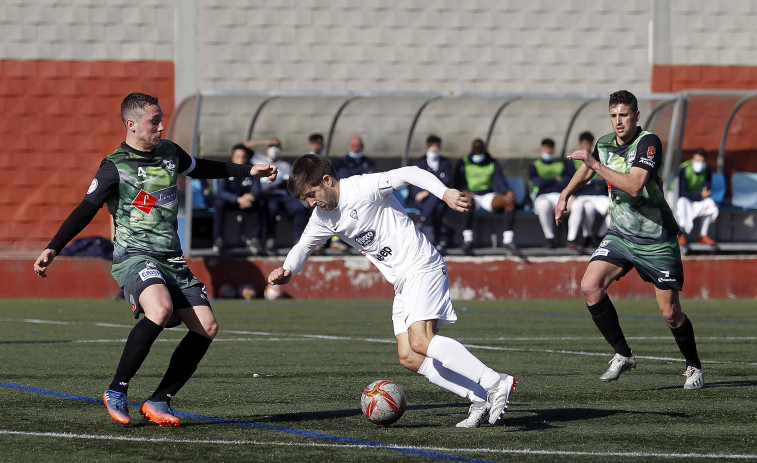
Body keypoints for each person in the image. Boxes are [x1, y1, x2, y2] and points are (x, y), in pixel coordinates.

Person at [33, 92, 278, 427]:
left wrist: (249, 170)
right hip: (134, 256)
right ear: (131, 125)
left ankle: (159, 400)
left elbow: (201, 167)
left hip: (171, 258)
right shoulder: (114, 166)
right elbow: (86, 209)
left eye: (161, 119)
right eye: (154, 121)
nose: (161, 127)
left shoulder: (169, 153)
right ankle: (117, 389)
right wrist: (54, 247)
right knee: (159, 310)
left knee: (206, 327)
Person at [268, 154, 517, 428]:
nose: (311, 202)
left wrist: (444, 193)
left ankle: (495, 382)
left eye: (312, 194)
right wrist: (288, 270)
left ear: (327, 180)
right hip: (401, 281)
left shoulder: (362, 187)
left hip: (421, 266)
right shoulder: (323, 217)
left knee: (422, 340)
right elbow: (303, 246)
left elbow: (410, 172)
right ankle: (478, 397)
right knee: (409, 356)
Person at [555, 90, 703, 389]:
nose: (618, 121)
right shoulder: (605, 143)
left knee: (671, 314)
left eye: (624, 115)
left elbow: (635, 186)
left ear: (636, 115)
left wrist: (595, 166)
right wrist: (565, 193)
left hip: (656, 239)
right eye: (613, 115)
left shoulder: (648, 143)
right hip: (621, 235)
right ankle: (623, 354)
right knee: (590, 286)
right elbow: (587, 168)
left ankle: (694, 366)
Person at [453, 138, 517, 254]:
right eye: (475, 150)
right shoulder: (464, 162)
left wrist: (507, 191)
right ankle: (468, 239)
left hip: (488, 196)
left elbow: (499, 180)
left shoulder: (492, 162)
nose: (478, 153)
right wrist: (464, 190)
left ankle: (508, 239)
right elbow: (458, 182)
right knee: (466, 201)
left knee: (509, 201)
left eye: (480, 150)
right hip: (472, 196)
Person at [252, 138, 308, 254]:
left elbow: (287, 184)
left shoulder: (285, 165)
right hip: (267, 196)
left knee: (300, 208)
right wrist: (263, 142)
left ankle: (299, 241)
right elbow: (243, 146)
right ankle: (270, 239)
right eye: (271, 146)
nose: (274, 149)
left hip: (283, 195)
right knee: (270, 209)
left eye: (277, 146)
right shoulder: (258, 160)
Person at [211, 144, 264, 254]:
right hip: (232, 201)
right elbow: (221, 192)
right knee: (219, 204)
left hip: (247, 202)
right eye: (238, 156)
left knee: (261, 204)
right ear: (233, 157)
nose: (241, 159)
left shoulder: (252, 169)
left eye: (243, 157)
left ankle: (255, 240)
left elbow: (257, 190)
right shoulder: (225, 168)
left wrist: (250, 198)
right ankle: (218, 239)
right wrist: (237, 199)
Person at [565, 132, 610, 250]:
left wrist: (588, 181)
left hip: (599, 195)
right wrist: (595, 182)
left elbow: (606, 180)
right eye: (584, 144)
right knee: (587, 207)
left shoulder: (598, 159)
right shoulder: (573, 161)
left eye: (589, 144)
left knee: (615, 209)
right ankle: (587, 236)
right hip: (583, 195)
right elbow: (573, 181)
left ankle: (600, 236)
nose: (586, 147)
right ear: (580, 144)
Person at [530, 137, 575, 248]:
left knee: (578, 204)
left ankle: (572, 239)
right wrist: (555, 179)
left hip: (560, 195)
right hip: (543, 195)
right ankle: (549, 238)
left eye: (550, 148)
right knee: (544, 205)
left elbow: (567, 181)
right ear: (541, 149)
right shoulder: (534, 165)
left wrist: (549, 182)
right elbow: (537, 183)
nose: (548, 150)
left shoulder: (561, 165)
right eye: (546, 148)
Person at [413, 135, 454, 253]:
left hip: (440, 199)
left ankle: (423, 219)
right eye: (433, 147)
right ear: (428, 147)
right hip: (424, 201)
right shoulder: (420, 163)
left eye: (437, 147)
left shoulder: (445, 163)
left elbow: (446, 182)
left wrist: (427, 191)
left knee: (439, 204)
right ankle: (438, 240)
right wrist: (424, 193)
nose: (435, 150)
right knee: (437, 207)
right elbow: (417, 182)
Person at [676, 148, 718, 246]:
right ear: (692, 160)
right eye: (697, 161)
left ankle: (703, 235)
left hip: (696, 199)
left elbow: (707, 189)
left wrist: (702, 195)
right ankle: (680, 235)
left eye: (702, 161)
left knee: (710, 203)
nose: (699, 163)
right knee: (682, 203)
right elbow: (681, 192)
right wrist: (699, 195)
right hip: (684, 198)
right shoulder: (683, 169)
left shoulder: (707, 169)